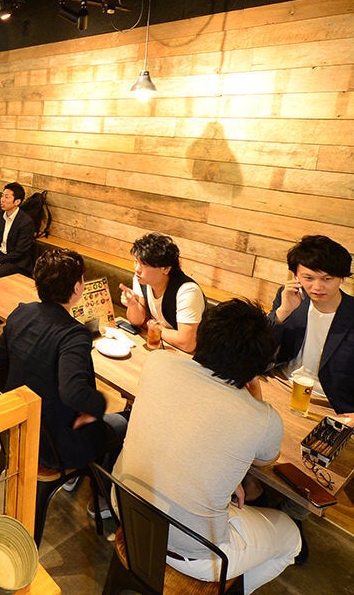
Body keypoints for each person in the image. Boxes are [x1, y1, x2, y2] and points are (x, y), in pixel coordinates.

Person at [113, 299, 300, 593]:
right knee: (290, 537)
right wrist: (255, 396)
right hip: (192, 554)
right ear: (257, 368)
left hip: (126, 510)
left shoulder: (157, 363)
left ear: (202, 337)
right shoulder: (262, 418)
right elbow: (266, 460)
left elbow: (187, 425)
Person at [0, 249, 128, 491]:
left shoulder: (21, 312)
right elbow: (73, 392)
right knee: (122, 424)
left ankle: (80, 478)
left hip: (17, 426)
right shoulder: (73, 334)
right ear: (77, 288)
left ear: (37, 283)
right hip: (50, 445)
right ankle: (100, 498)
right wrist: (97, 406)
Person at [268, 235, 353, 417]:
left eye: (327, 279)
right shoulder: (288, 296)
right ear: (295, 276)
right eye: (308, 277)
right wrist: (283, 312)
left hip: (329, 404)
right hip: (280, 383)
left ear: (342, 278)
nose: (317, 287)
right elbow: (260, 346)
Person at [118, 232, 205, 353]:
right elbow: (137, 321)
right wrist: (132, 305)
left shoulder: (187, 291)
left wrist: (155, 327)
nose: (137, 269)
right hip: (162, 346)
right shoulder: (141, 280)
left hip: (190, 356)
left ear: (166, 269)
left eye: (144, 264)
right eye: (136, 262)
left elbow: (187, 344)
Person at [0, 182, 35, 281]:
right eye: (2, 196)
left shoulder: (26, 222)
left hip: (16, 262)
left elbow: (19, 252)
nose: (2, 200)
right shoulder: (0, 215)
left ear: (17, 202)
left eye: (6, 197)